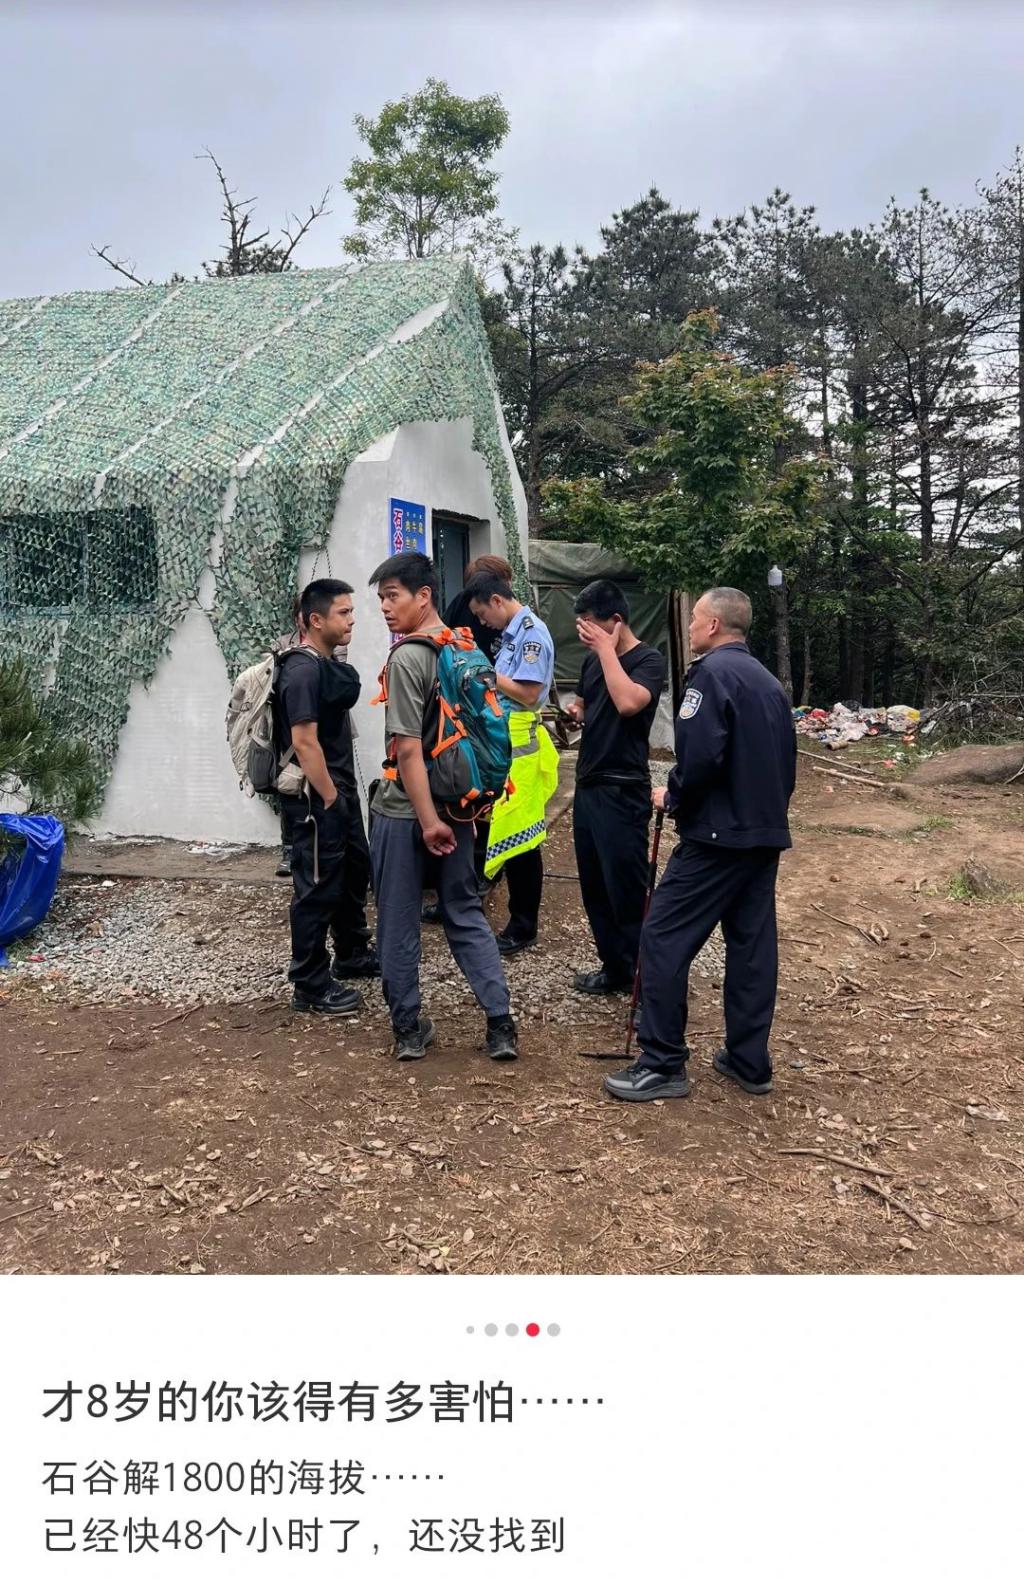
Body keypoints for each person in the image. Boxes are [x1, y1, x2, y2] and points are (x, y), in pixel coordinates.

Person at [604, 586, 796, 1103]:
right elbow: (786, 763)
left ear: (713, 625)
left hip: (716, 837)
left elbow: (702, 756)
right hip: (763, 833)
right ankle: (749, 1060)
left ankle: (662, 1061)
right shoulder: (768, 683)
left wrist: (674, 796)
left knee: (662, 937)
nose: (689, 626)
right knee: (751, 947)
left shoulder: (710, 675)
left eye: (694, 618)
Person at [368, 550, 518, 1062]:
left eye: (393, 596)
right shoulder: (464, 645)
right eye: (381, 598)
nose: (385, 608)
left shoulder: (407, 657)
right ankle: (500, 1023)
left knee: (398, 917)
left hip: (408, 812)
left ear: (424, 595)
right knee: (464, 910)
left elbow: (408, 749)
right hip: (461, 805)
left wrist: (428, 822)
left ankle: (408, 1029)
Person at [276, 579, 378, 1016]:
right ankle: (310, 983)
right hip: (316, 798)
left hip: (337, 792)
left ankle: (351, 952)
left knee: (353, 871)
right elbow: (304, 742)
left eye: (351, 611)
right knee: (317, 887)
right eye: (344, 612)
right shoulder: (301, 671)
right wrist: (331, 798)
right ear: (316, 620)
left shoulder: (323, 662)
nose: (352, 619)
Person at [567, 579, 667, 994]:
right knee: (595, 887)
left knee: (627, 889)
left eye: (591, 625)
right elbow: (586, 703)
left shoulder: (649, 660)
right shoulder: (593, 661)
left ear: (616, 621)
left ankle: (649, 985)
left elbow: (628, 703)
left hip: (623, 788)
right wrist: (575, 711)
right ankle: (616, 969)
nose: (585, 633)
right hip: (588, 783)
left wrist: (607, 651)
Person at [465, 567, 558, 955]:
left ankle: (523, 925)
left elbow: (529, 693)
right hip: (502, 744)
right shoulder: (512, 635)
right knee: (502, 831)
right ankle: (505, 915)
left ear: (497, 600)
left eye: (483, 613)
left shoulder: (530, 635)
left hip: (518, 747)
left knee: (522, 840)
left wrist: (486, 674)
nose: (483, 621)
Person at [421, 553, 513, 924]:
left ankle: (478, 879)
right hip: (466, 718)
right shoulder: (463, 608)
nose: (481, 618)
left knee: (485, 797)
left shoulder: (514, 619)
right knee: (469, 796)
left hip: (488, 718)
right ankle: (466, 883)